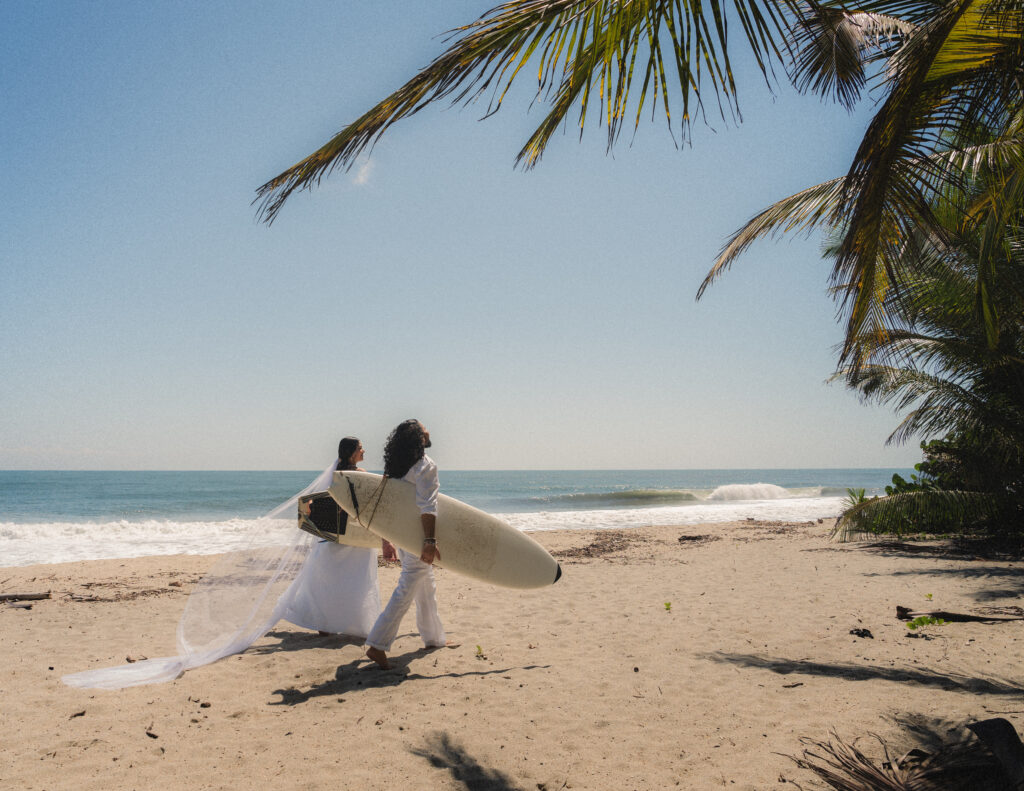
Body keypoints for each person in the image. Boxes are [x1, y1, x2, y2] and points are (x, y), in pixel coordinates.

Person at [280, 436, 394, 638]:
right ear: (352, 452)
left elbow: (321, 506)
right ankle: (355, 624)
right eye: (360, 447)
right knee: (357, 584)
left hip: (334, 538)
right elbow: (369, 510)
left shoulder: (333, 475)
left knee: (329, 584)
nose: (364, 450)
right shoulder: (360, 474)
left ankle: (324, 626)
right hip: (356, 539)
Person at [365, 419, 447, 668]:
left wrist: (388, 537)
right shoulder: (425, 465)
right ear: (419, 438)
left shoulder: (397, 465)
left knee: (426, 585)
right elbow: (428, 506)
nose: (429, 430)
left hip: (402, 534)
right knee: (408, 586)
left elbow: (388, 504)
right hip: (417, 537)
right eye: (425, 429)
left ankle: (433, 638)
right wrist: (430, 541)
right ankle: (377, 644)